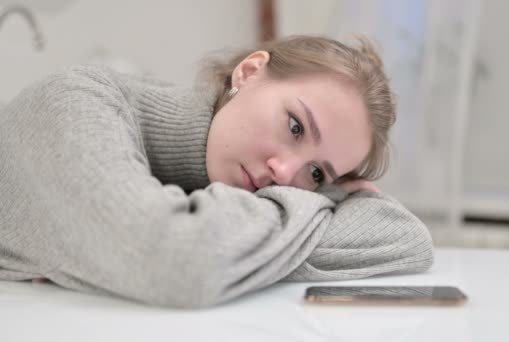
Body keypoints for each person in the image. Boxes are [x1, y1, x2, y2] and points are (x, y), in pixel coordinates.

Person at [0, 35, 433, 308]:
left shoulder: (232, 181)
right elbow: (178, 262)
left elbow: (406, 237)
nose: (284, 175)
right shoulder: (74, 103)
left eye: (317, 176)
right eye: (295, 126)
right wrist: (322, 209)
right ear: (249, 72)